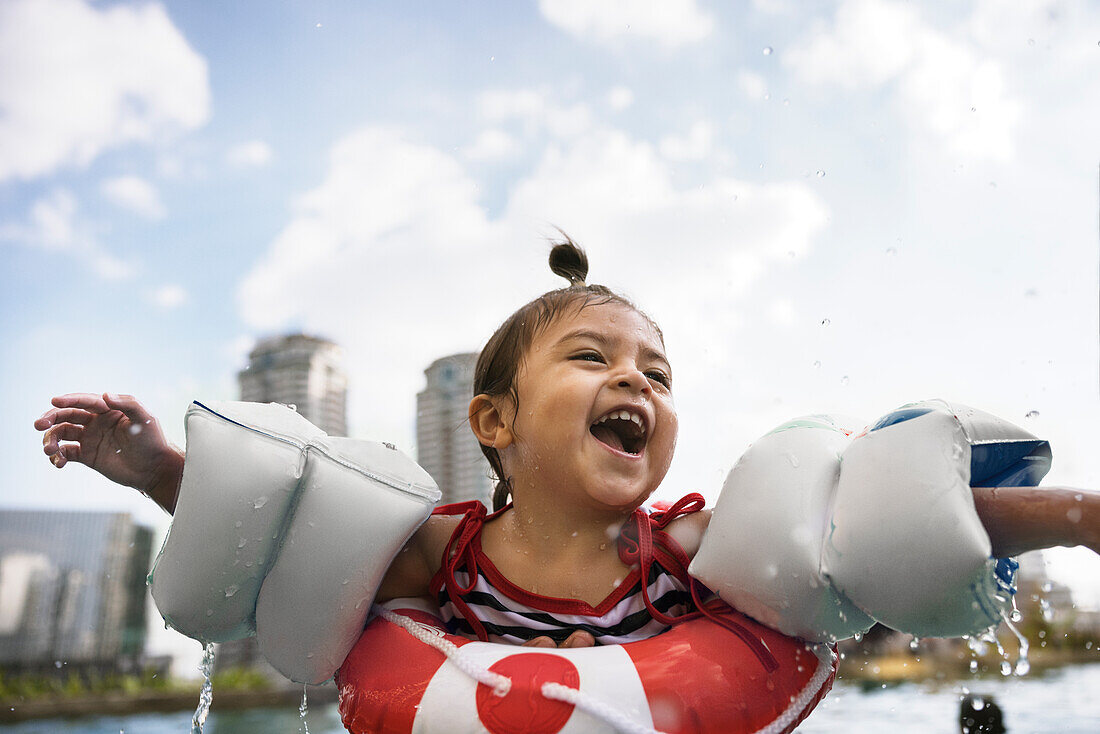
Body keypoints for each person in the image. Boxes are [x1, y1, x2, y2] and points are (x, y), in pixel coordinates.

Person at [34, 236, 1100, 651]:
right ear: (492, 423)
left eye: (658, 372)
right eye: (590, 358)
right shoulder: (435, 555)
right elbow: (276, 534)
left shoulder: (691, 549)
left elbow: (874, 525)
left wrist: (1076, 518)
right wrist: (157, 470)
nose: (634, 376)